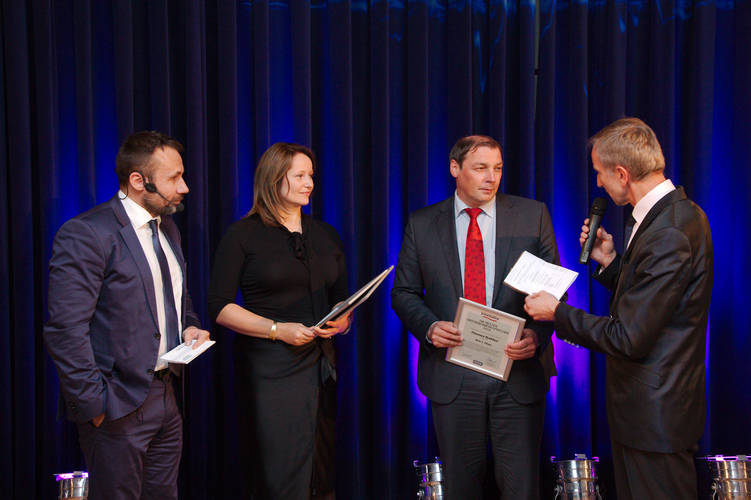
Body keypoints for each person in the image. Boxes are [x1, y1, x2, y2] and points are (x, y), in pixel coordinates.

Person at [524, 117, 713, 499]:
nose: (598, 182)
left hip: (656, 421)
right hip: (648, 417)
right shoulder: (673, 214)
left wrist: (557, 313)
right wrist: (610, 263)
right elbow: (653, 301)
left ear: (622, 174)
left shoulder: (670, 230)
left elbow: (628, 336)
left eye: (600, 172)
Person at [43, 131, 211, 499]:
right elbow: (65, 329)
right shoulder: (87, 233)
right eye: (174, 178)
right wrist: (95, 406)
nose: (184, 187)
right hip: (116, 403)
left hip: (168, 395)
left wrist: (191, 326)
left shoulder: (168, 228)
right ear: (138, 180)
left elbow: (176, 300)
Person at [391, 135, 559, 499]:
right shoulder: (422, 223)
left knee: (521, 489)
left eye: (497, 168)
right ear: (455, 168)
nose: (491, 177)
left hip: (518, 375)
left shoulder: (533, 215)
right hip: (453, 375)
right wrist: (430, 327)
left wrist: (535, 336)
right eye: (481, 168)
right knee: (462, 489)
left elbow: (552, 292)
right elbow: (403, 293)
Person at [208, 142, 351, 499]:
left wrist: (343, 321)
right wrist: (276, 330)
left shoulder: (326, 234)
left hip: (321, 365)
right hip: (269, 368)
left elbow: (341, 300)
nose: (309, 183)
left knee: (321, 469)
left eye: (311, 175)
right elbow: (220, 306)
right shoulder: (243, 235)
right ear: (274, 180)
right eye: (299, 176)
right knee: (278, 471)